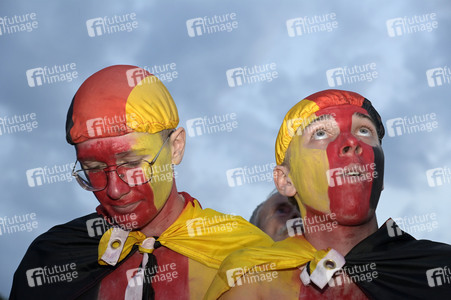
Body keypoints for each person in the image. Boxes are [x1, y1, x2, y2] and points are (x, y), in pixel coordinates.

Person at [10, 65, 273, 300]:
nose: (114, 190)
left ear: (176, 147)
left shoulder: (248, 255)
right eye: (94, 169)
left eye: (132, 163)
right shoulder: (53, 257)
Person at [206, 89, 451, 299]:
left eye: (364, 131)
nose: (351, 142)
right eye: (320, 133)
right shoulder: (252, 280)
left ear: (380, 175)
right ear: (286, 181)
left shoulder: (438, 267)